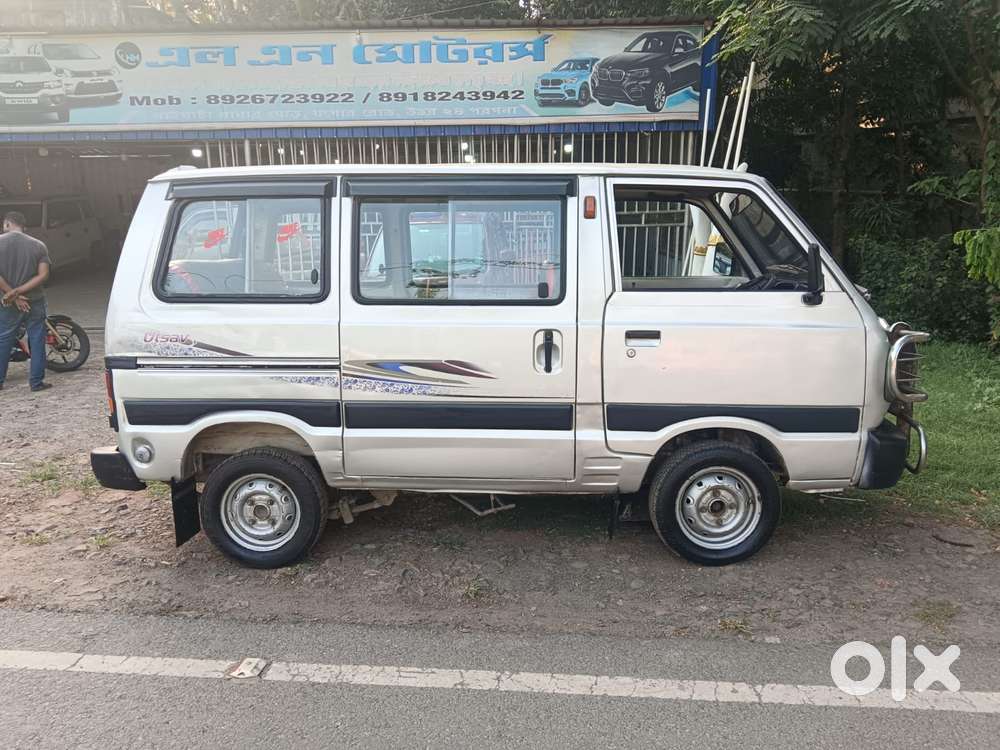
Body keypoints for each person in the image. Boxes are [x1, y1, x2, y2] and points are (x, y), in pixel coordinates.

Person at [0, 210, 52, 392]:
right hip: (35, 300)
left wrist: (12, 295)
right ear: (24, 226)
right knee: (37, 340)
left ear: (7, 224)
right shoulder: (38, 245)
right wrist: (19, 291)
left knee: (4, 340)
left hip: (7, 302)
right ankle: (36, 382)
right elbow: (43, 275)